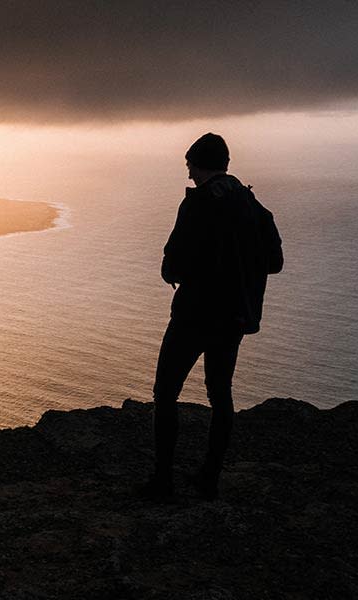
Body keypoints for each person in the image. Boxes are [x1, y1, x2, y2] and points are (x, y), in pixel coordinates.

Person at [139, 132, 283, 501]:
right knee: (220, 394)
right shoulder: (252, 204)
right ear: (227, 164)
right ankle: (209, 478)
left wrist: (183, 271)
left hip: (194, 314)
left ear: (199, 165)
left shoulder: (198, 202)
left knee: (166, 393)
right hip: (234, 315)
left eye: (190, 167)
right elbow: (275, 262)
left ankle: (162, 480)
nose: (189, 176)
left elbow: (173, 264)